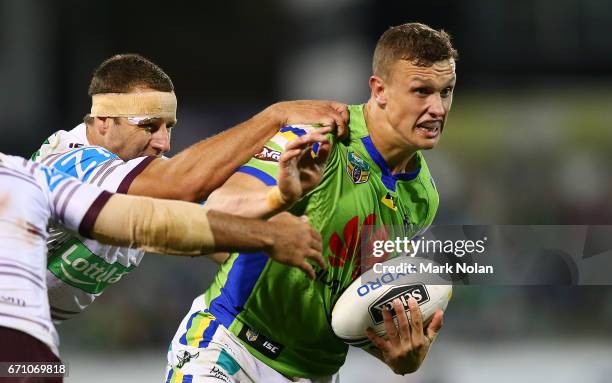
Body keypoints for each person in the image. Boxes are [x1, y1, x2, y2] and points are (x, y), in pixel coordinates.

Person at [165, 22, 457, 382]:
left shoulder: (423, 197)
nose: (437, 108)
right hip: (229, 350)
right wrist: (278, 198)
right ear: (379, 90)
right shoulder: (320, 134)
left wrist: (397, 355)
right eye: (421, 91)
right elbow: (220, 208)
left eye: (446, 91)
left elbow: (352, 297)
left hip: (316, 373)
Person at [31, 54, 347, 321]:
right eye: (149, 126)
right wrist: (274, 118)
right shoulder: (72, 164)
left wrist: (279, 200)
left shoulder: (127, 177)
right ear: (102, 121)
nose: (164, 143)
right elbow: (184, 186)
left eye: (169, 127)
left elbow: (216, 229)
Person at [0, 152, 323, 382]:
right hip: (30, 357)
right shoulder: (26, 174)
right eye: (153, 126)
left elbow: (146, 220)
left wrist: (267, 225)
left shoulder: (30, 175)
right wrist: (267, 231)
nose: (163, 143)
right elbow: (146, 222)